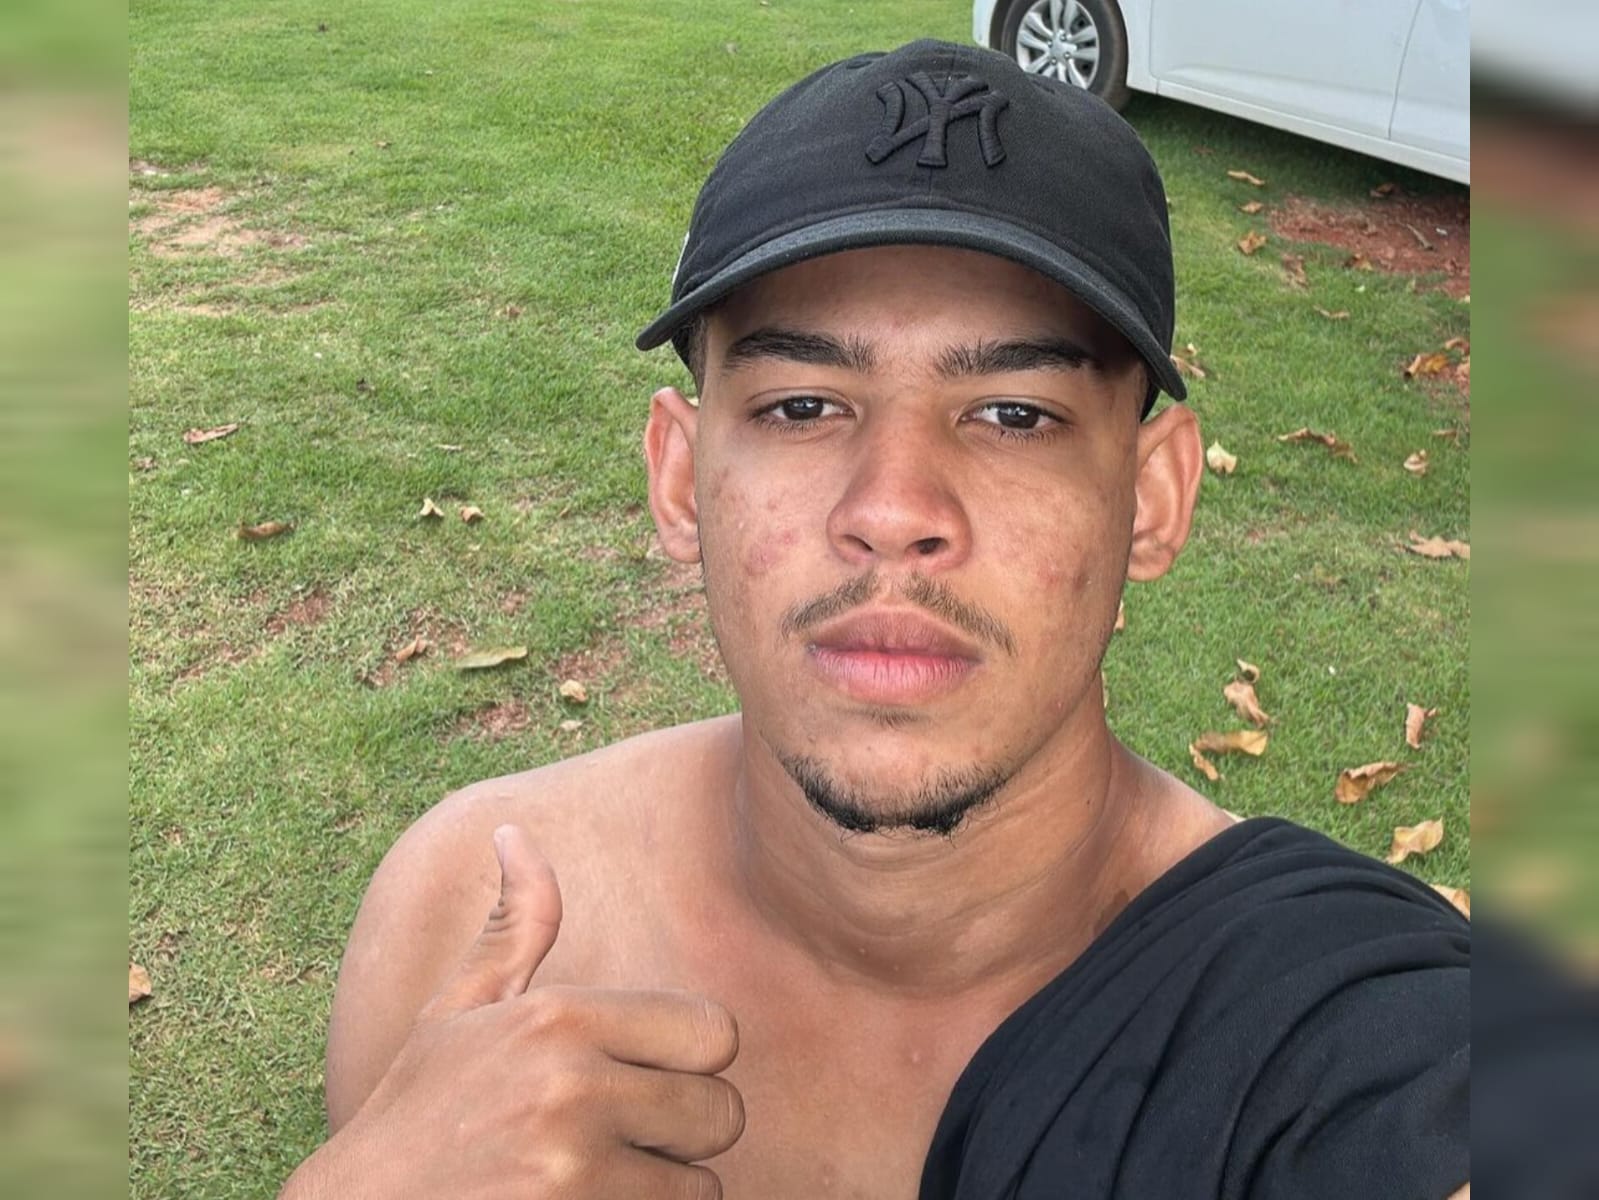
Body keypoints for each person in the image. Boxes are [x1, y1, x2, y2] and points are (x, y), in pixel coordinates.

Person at [280, 39, 1468, 1200]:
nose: (893, 512)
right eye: (802, 406)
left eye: (1014, 414)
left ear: (1153, 499)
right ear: (680, 479)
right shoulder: (471, 927)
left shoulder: (1349, 1030)